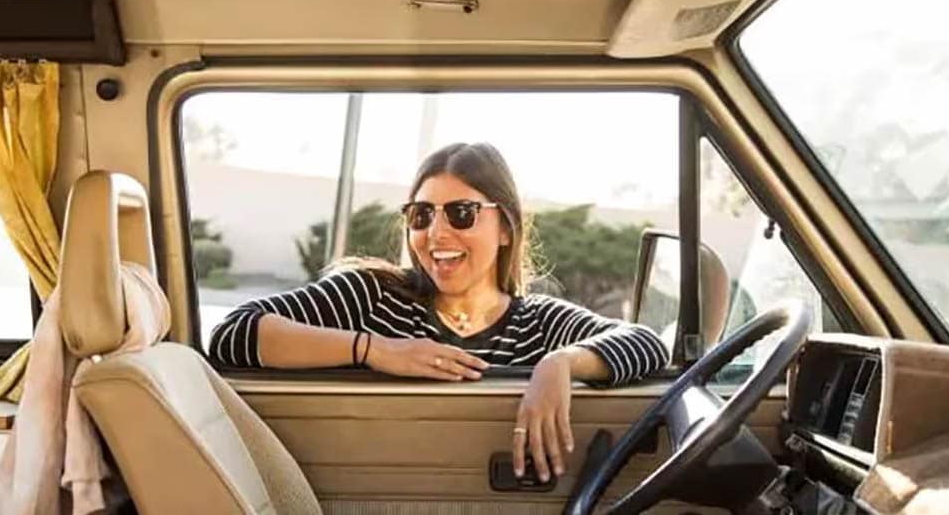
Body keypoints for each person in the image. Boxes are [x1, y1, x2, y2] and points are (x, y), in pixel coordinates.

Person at [207, 142, 668, 484]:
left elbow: (645, 344)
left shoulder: (540, 323)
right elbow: (233, 333)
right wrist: (374, 350)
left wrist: (560, 364)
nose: (436, 233)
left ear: (506, 228)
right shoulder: (371, 295)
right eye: (421, 215)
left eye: (461, 213)